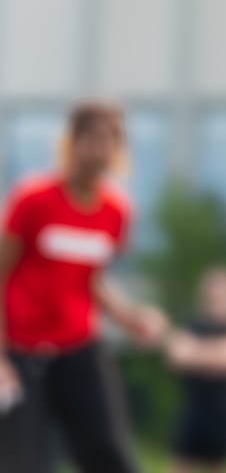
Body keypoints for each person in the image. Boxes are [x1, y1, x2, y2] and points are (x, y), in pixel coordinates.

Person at [0, 97, 168, 473]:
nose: (99, 148)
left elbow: (90, 279)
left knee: (110, 456)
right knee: (23, 463)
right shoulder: (32, 199)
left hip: (79, 348)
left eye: (109, 139)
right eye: (90, 137)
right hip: (21, 351)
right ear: (70, 142)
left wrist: (131, 318)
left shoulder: (116, 210)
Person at [166, 267, 226, 473]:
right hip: (193, 408)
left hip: (225, 412)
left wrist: (197, 352)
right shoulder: (193, 324)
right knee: (180, 463)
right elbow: (176, 355)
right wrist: (219, 352)